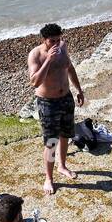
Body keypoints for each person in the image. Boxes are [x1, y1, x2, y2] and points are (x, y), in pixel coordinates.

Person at [27, 23, 86, 195]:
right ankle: (49, 178)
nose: (56, 43)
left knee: (66, 134)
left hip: (66, 98)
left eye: (58, 39)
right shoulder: (36, 55)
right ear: (44, 40)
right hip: (48, 102)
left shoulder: (62, 46)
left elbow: (70, 68)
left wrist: (79, 90)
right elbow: (34, 82)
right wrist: (48, 60)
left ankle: (63, 166)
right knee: (51, 142)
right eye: (52, 40)